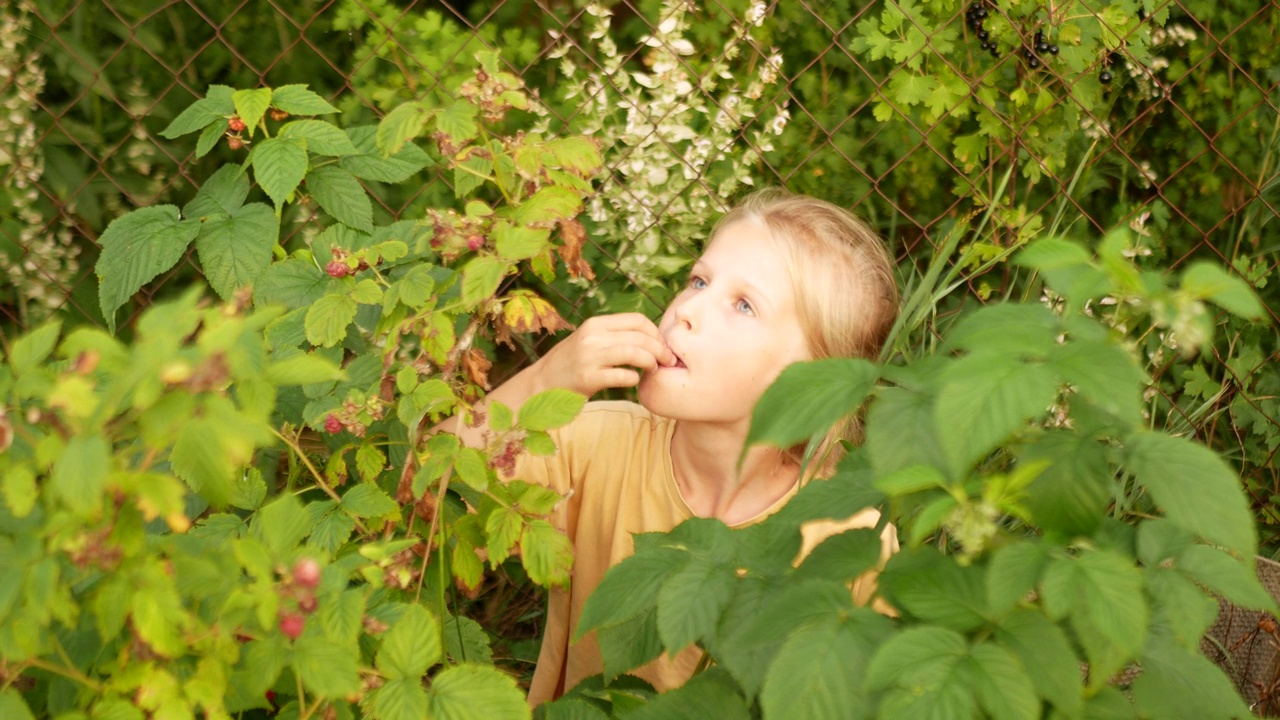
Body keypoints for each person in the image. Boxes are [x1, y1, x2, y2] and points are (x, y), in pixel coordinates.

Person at [446, 188, 900, 705]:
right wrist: (548, 378)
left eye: (744, 305)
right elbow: (432, 499)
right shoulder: (595, 442)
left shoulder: (849, 534)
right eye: (699, 280)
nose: (687, 309)